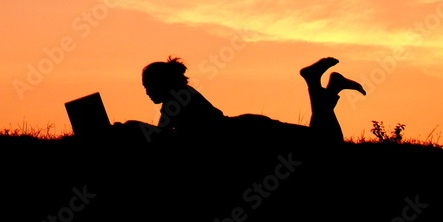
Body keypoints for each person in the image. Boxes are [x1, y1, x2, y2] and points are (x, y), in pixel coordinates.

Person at [135, 56, 365, 144]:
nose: (146, 92)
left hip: (248, 132)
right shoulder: (182, 95)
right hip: (247, 128)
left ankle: (316, 82)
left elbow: (161, 140)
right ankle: (327, 86)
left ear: (162, 83)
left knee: (327, 141)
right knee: (321, 140)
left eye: (148, 86)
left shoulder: (174, 101)